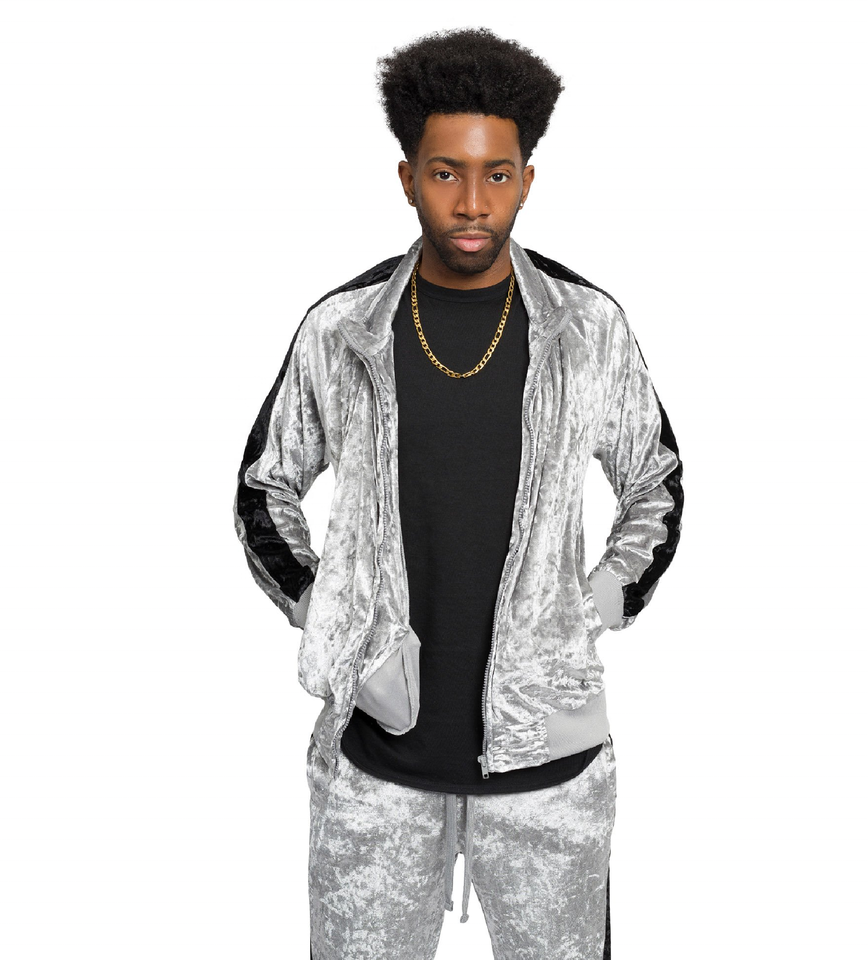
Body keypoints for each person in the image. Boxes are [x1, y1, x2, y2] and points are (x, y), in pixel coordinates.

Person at [233, 26, 684, 960]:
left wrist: (594, 605)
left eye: (496, 174)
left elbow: (657, 482)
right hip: (375, 769)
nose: (472, 203)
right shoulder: (343, 328)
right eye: (445, 173)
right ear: (407, 178)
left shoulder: (586, 327)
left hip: (550, 766)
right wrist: (331, 613)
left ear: (526, 180)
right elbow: (264, 487)